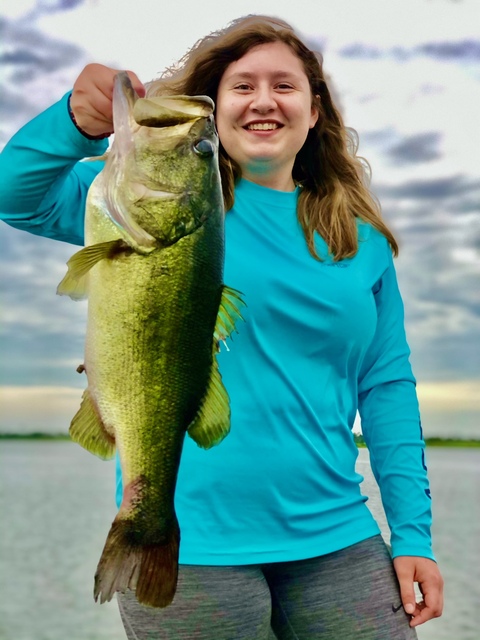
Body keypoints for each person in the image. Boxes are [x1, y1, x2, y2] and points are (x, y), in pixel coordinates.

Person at [0, 14, 443, 640]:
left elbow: (388, 388)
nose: (264, 100)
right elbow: (14, 194)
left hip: (340, 537)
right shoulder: (132, 200)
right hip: (190, 545)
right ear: (216, 106)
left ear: (315, 112)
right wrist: (74, 120)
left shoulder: (362, 242)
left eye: (284, 86)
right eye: (243, 86)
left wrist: (414, 535)